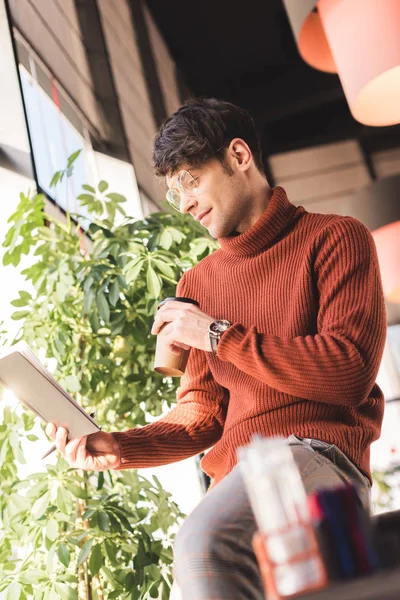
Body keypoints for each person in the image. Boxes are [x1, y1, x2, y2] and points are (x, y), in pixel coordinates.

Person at [47, 98, 387, 600]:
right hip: (239, 479)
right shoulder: (198, 283)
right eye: (171, 190)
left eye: (189, 179)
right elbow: (203, 415)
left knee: (205, 544)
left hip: (318, 459)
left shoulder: (335, 239)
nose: (182, 203)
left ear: (239, 155)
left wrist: (215, 334)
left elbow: (348, 372)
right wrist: (121, 446)